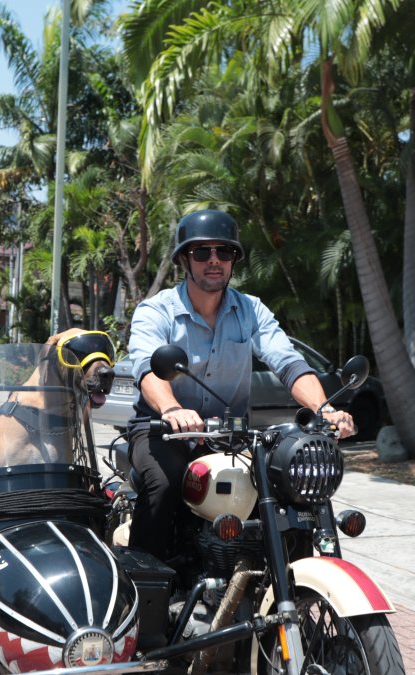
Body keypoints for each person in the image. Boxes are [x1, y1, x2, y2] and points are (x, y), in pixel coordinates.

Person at [125, 209, 356, 562]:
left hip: (229, 434)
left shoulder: (252, 310)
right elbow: (148, 369)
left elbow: (288, 362)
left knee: (286, 489)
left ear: (234, 260)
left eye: (224, 252)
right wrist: (172, 409)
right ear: (185, 260)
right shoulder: (157, 311)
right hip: (162, 430)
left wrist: (325, 411)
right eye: (202, 252)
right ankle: (142, 589)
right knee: (165, 485)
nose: (214, 260)